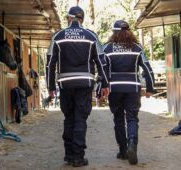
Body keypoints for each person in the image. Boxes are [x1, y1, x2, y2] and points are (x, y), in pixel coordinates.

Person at [46, 6, 109, 167]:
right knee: (80, 118)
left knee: (69, 118)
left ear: (69, 18)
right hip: (85, 83)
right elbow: (101, 61)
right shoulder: (91, 36)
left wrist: (50, 86)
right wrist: (105, 83)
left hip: (65, 84)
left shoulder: (58, 37)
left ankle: (68, 155)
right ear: (82, 19)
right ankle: (78, 157)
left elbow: (50, 64)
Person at [103, 20, 156, 165]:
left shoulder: (107, 48)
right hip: (133, 87)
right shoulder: (136, 48)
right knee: (132, 118)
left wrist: (102, 87)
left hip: (115, 88)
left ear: (113, 32)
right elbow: (147, 69)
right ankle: (132, 142)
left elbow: (103, 70)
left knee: (118, 118)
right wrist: (150, 88)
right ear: (129, 32)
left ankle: (123, 150)